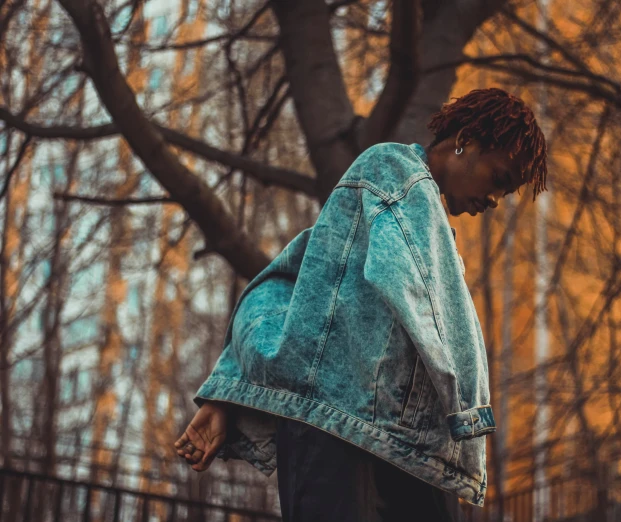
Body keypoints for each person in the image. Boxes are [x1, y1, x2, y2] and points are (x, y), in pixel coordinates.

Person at [173, 87, 548, 521]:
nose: (496, 201)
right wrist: (469, 412)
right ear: (466, 139)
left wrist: (228, 393)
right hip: (346, 439)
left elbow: (289, 288)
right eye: (500, 179)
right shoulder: (395, 173)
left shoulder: (407, 212)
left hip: (390, 441)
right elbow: (424, 299)